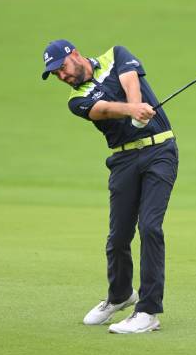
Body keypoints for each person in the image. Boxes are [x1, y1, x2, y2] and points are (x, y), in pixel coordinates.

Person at [41, 39, 178, 334]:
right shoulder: (76, 100)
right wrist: (132, 111)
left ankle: (148, 311)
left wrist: (137, 107)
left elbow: (131, 81)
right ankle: (119, 296)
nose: (62, 77)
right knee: (118, 237)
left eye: (61, 68)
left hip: (160, 152)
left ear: (74, 54)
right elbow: (102, 110)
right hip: (123, 160)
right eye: (56, 75)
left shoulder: (116, 55)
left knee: (150, 227)